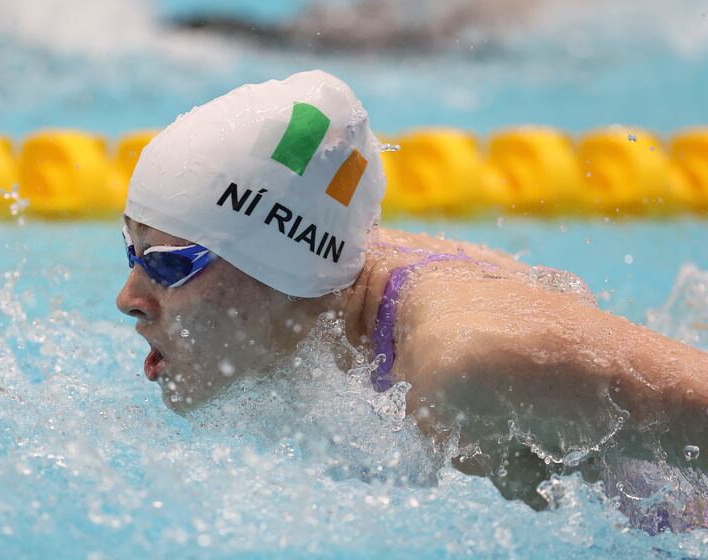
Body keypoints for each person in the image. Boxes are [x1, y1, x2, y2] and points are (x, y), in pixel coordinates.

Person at [116, 70, 708, 519]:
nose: (129, 297)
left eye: (168, 264)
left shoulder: (472, 361)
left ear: (278, 266)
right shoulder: (327, 284)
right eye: (132, 251)